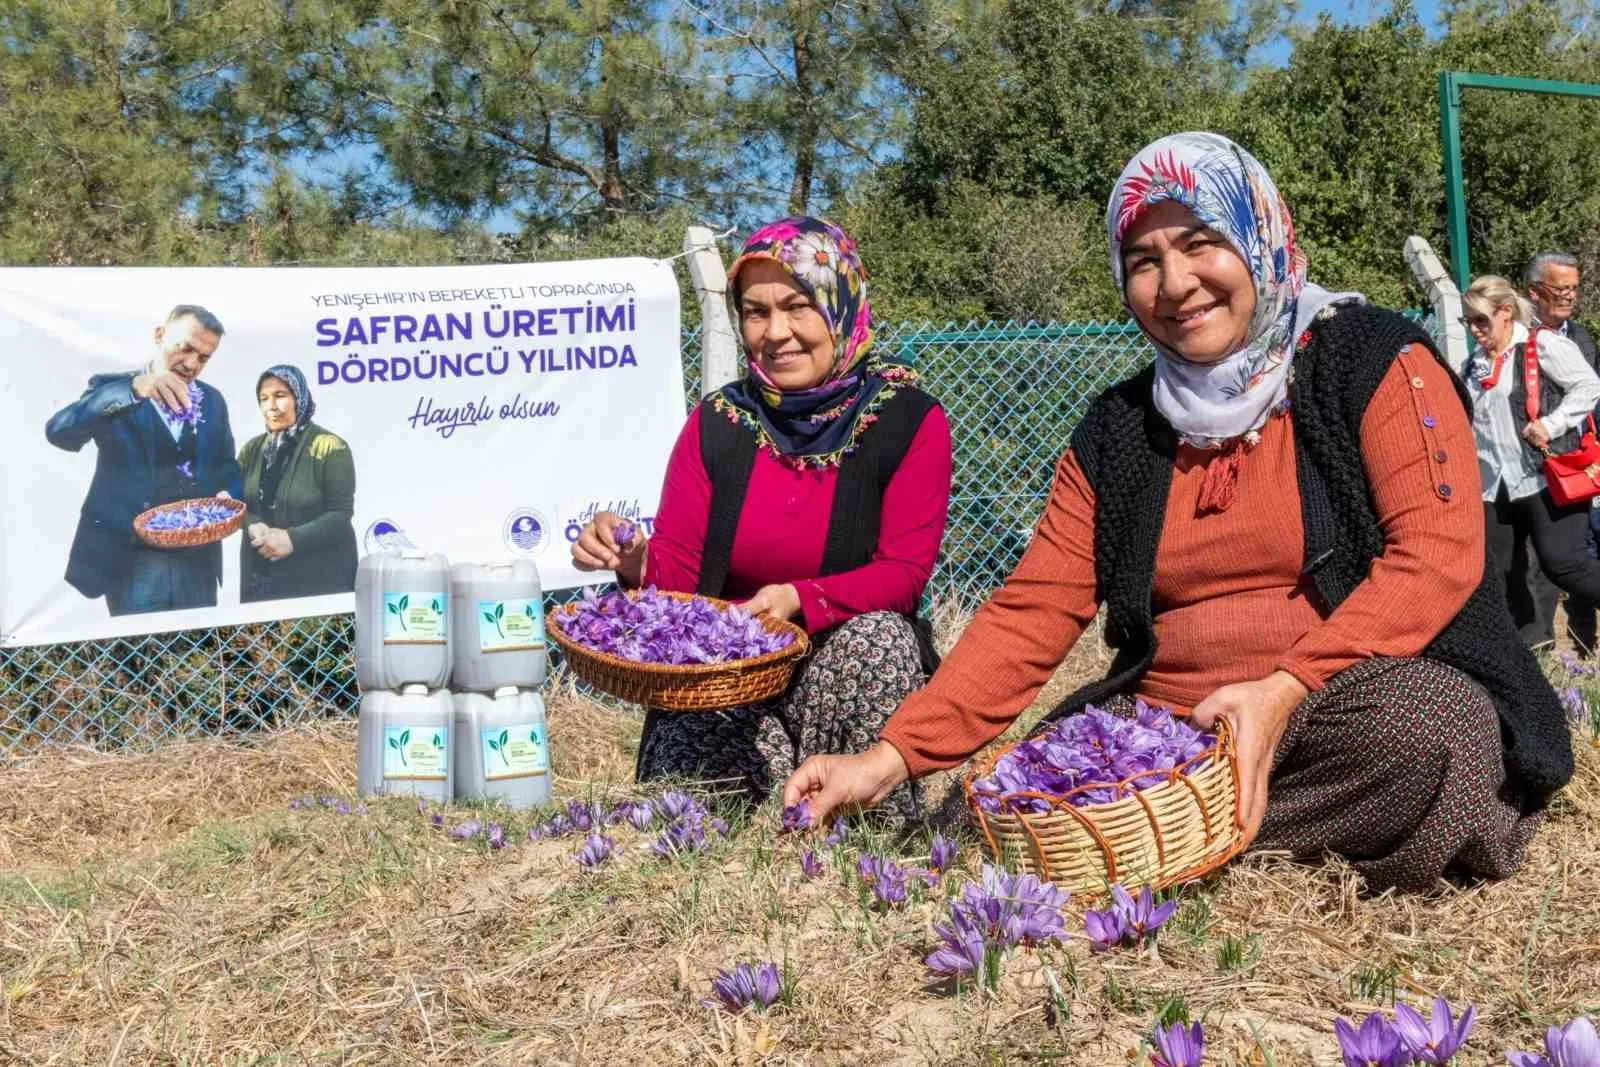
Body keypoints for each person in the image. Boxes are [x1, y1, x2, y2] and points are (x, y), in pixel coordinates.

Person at [783, 133, 1574, 893]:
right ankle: (1187, 821)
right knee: (999, 795)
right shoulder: (1119, 428)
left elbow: (1435, 553)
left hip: (1336, 703)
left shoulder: (1371, 359)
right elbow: (1034, 606)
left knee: (1433, 735)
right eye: (1143, 261)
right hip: (1171, 730)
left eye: (1201, 243)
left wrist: (1283, 689)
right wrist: (891, 756)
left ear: (1260, 235)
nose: (1176, 282)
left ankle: (1158, 834)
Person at [572, 216, 953, 818]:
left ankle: (870, 815)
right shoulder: (717, 426)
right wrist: (634, 561)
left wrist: (796, 598)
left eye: (798, 306)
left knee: (879, 638)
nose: (776, 333)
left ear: (841, 306)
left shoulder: (905, 422)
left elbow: (903, 573)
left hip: (839, 672)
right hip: (728, 686)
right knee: (689, 817)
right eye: (755, 312)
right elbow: (679, 578)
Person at [46, 305, 242, 616]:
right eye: (186, 348)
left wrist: (231, 496)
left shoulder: (214, 400)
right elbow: (59, 433)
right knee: (140, 660)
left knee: (194, 659)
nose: (192, 364)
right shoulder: (114, 390)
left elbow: (227, 466)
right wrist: (135, 390)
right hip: (131, 560)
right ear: (160, 335)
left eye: (204, 357)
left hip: (198, 562)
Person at [1460, 275, 1600, 648]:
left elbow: (1588, 385)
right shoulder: (1473, 365)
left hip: (1544, 475)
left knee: (1563, 564)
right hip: (1493, 484)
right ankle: (1534, 651)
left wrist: (1551, 425)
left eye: (1481, 320)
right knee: (1503, 572)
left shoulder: (1541, 345)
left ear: (1506, 313)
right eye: (1468, 322)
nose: (1474, 330)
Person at [1524, 253, 1600, 652]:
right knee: (1536, 562)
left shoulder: (1579, 337)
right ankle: (1544, 648)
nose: (1570, 297)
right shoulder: (1515, 335)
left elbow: (1590, 395)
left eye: (1574, 289)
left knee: (1575, 555)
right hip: (1530, 467)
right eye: (1562, 289)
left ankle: (1584, 643)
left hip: (1574, 463)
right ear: (1535, 292)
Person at [236, 364, 358, 602]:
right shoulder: (251, 450)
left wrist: (292, 540)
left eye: (280, 396)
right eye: (264, 398)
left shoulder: (330, 447)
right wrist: (252, 523)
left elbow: (340, 515)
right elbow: (235, 504)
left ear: (299, 398)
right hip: (261, 581)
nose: (271, 406)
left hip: (317, 580)